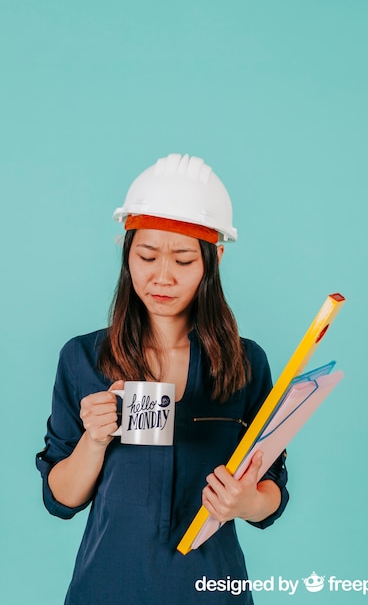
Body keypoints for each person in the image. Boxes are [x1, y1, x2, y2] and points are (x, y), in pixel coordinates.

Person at [36, 154, 289, 604]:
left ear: (213, 260)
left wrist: (244, 503)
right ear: (127, 251)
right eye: (147, 255)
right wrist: (93, 440)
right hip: (106, 587)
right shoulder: (82, 358)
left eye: (184, 260)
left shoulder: (246, 363)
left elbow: (271, 488)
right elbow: (61, 499)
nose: (162, 277)